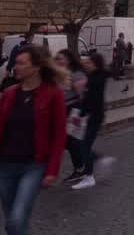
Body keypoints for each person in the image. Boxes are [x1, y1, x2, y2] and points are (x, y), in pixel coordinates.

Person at [0, 46, 67, 235]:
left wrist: (52, 170)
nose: (16, 67)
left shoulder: (53, 94)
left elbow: (59, 135)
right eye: (16, 63)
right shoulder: (9, 94)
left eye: (21, 63)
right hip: (5, 165)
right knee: (12, 221)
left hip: (34, 165)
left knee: (17, 218)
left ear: (36, 67)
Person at [70, 52, 112, 190]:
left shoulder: (96, 79)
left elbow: (91, 100)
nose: (85, 64)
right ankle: (99, 160)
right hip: (93, 115)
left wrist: (81, 115)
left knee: (84, 146)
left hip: (94, 116)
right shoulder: (95, 77)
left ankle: (89, 176)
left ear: (96, 64)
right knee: (83, 145)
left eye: (89, 63)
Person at [54, 50, 87, 185]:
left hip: (74, 110)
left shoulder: (76, 74)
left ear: (69, 59)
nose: (58, 61)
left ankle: (81, 168)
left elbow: (82, 96)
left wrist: (79, 114)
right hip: (61, 110)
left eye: (60, 59)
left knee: (72, 140)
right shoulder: (58, 74)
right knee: (67, 141)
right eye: (56, 59)